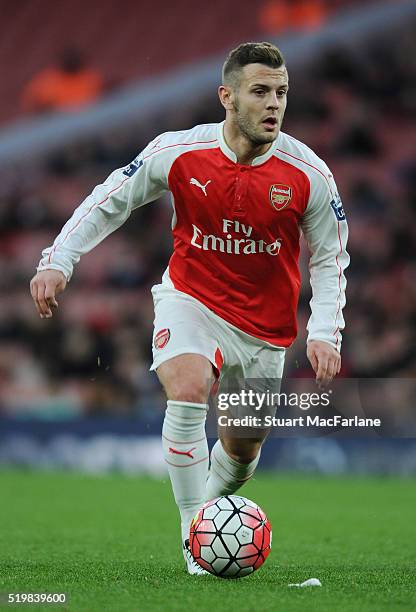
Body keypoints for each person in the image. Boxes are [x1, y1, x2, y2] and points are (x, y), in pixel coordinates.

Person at [30, 42, 349, 575]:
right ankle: (194, 539)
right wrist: (58, 259)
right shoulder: (179, 152)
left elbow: (330, 258)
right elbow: (113, 197)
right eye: (260, 92)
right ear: (227, 96)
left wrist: (325, 331)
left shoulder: (308, 174)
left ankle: (208, 521)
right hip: (191, 297)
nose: (274, 104)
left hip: (265, 327)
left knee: (243, 448)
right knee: (187, 388)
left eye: (282, 93)